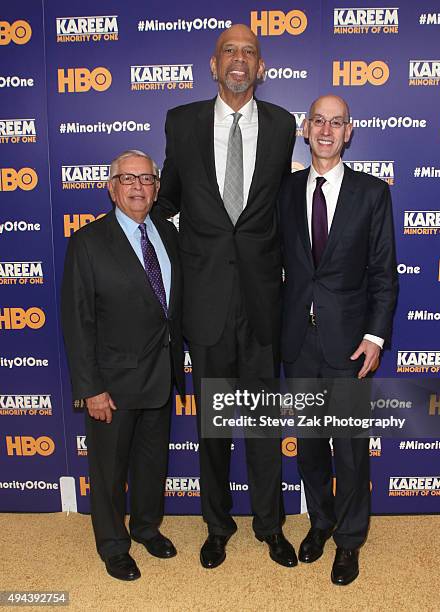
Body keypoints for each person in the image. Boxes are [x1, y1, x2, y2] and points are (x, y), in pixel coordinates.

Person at [156, 24, 297, 569]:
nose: (239, 61)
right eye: (229, 52)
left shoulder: (285, 125)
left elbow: (286, 208)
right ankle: (217, 527)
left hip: (264, 303)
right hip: (207, 303)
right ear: (212, 65)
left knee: (263, 426)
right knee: (212, 430)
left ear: (261, 67)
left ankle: (271, 527)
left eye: (249, 52)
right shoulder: (182, 122)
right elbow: (167, 200)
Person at [279, 95, 398, 585]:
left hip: (350, 344)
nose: (327, 130)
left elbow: (383, 274)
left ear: (349, 132)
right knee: (308, 445)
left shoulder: (372, 193)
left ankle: (349, 541)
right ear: (305, 129)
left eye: (337, 122)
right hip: (298, 342)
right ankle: (321, 522)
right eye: (319, 121)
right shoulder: (284, 190)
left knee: (349, 448)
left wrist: (374, 336)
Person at [61, 150, 185, 581]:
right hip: (111, 384)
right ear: (111, 188)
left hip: (160, 375)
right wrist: (91, 387)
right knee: (110, 471)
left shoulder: (168, 234)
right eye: (128, 179)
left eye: (147, 179)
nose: (138, 187)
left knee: (152, 464)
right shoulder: (88, 243)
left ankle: (147, 528)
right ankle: (113, 544)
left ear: (156, 188)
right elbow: (78, 322)